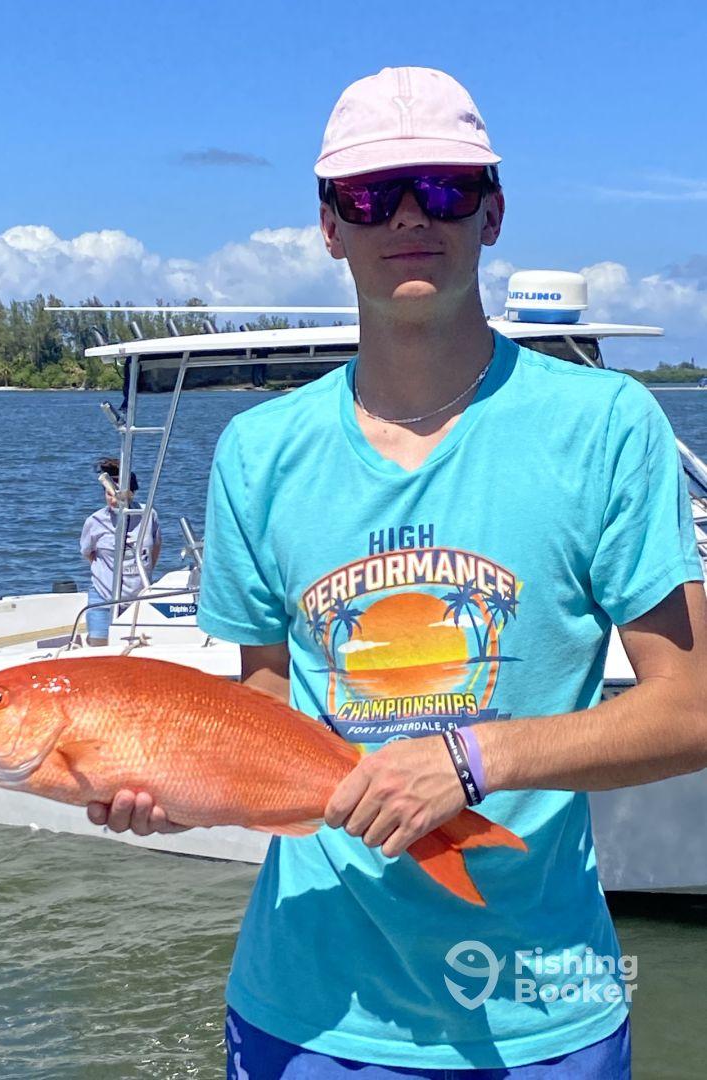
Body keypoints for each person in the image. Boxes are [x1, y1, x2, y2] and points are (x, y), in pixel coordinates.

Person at [88, 67, 706, 1076]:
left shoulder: (606, 426)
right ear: (329, 225)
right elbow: (265, 700)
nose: (411, 216)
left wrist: (473, 761)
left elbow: (693, 710)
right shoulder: (258, 451)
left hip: (542, 1012)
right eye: (373, 195)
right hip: (306, 1010)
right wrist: (174, 783)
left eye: (446, 188)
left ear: (494, 210)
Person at [79, 456, 162, 646]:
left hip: (138, 598)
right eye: (108, 494)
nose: (113, 499)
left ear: (131, 493)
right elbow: (88, 553)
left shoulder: (148, 515)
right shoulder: (95, 521)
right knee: (99, 649)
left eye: (118, 494)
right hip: (104, 597)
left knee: (139, 649)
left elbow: (155, 547)